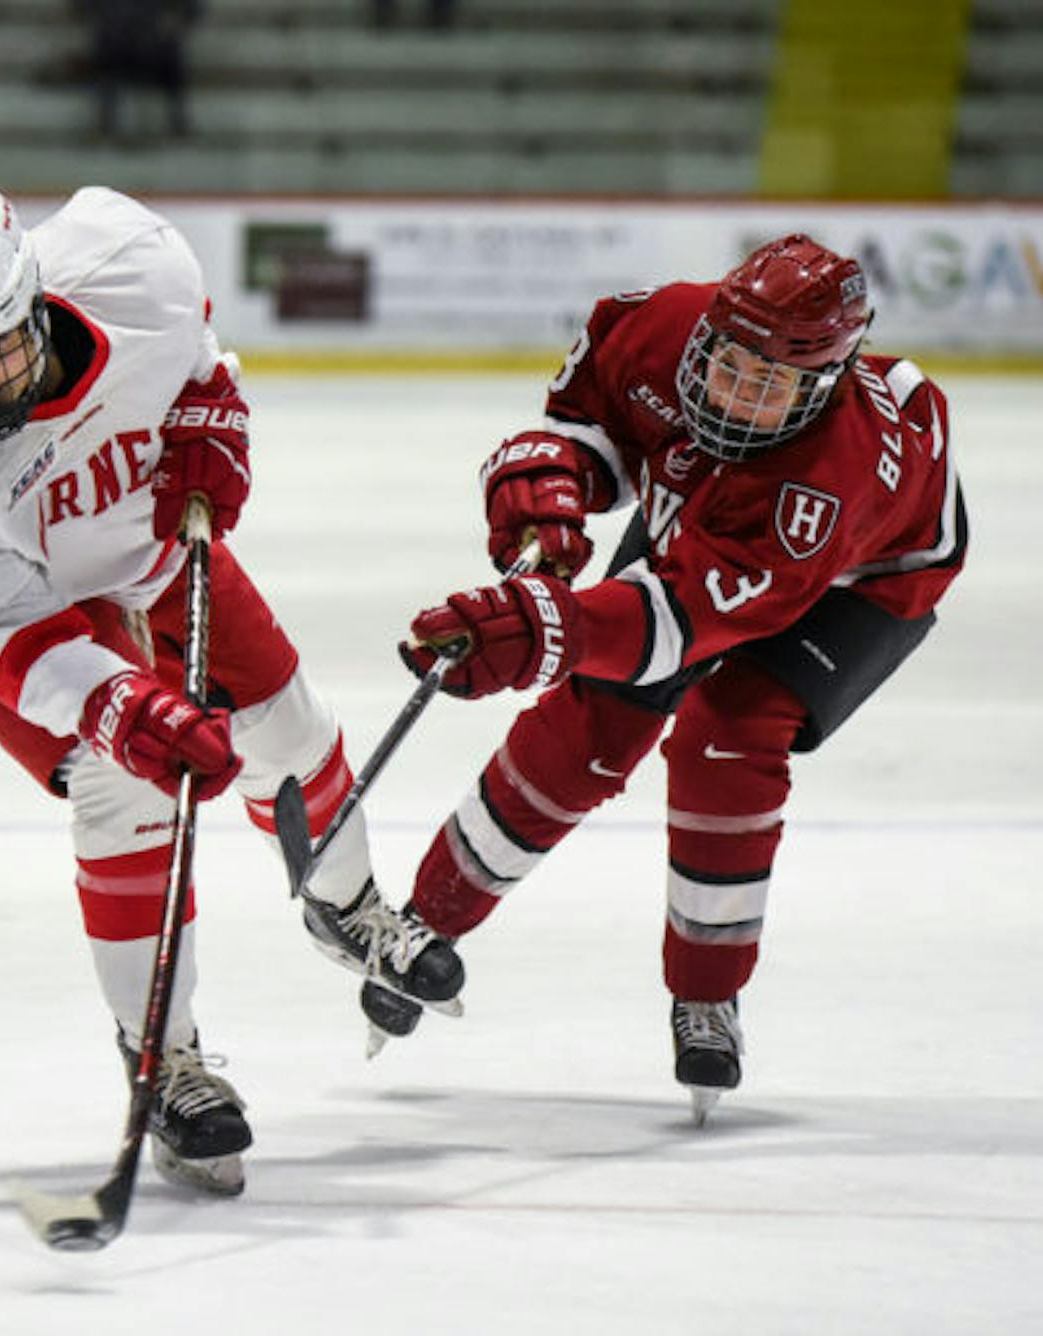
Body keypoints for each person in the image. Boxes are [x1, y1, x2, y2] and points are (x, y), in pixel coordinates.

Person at [0, 186, 461, 1195]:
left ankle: (346, 907)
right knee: (125, 787)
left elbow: (199, 363)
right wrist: (120, 706)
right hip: (10, 614)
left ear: (36, 304)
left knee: (292, 732)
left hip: (148, 550)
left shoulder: (130, 262)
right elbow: (13, 642)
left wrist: (212, 422)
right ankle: (163, 1061)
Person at [395, 235, 967, 1121]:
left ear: (820, 387)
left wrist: (546, 629)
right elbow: (593, 421)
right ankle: (427, 918)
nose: (734, 395)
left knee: (727, 732)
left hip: (865, 576)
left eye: (768, 386)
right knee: (593, 720)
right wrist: (553, 483)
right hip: (723, 514)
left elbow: (674, 627)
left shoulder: (824, 484)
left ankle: (708, 990)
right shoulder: (658, 324)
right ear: (704, 334)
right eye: (726, 366)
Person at [74, 0, 200, 141]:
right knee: (108, 47)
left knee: (171, 51)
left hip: (154, 41)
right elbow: (81, 6)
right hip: (116, 38)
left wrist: (174, 25)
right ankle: (106, 122)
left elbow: (192, 9)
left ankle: (178, 121)